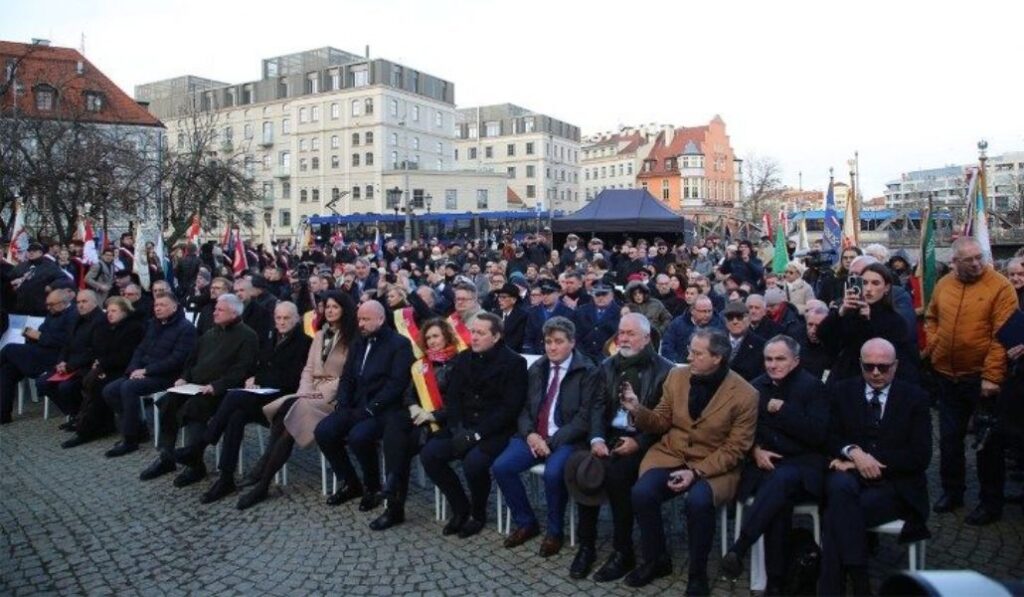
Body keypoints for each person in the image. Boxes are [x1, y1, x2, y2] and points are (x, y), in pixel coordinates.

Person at [621, 329, 758, 593]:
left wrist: (696, 473)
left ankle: (697, 573)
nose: (688, 357)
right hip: (672, 453)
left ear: (717, 357)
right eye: (689, 350)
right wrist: (637, 409)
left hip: (715, 463)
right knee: (642, 493)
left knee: (698, 501)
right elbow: (661, 421)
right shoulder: (677, 375)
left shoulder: (745, 394)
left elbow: (735, 449)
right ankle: (656, 559)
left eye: (696, 354)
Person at [566, 313, 675, 582]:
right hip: (611, 434)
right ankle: (587, 546)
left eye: (630, 333)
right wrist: (597, 439)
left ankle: (622, 550)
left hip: (646, 438)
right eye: (621, 333)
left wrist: (638, 442)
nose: (623, 338)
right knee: (583, 467)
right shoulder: (608, 365)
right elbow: (598, 406)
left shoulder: (666, 370)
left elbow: (667, 421)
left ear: (647, 338)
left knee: (617, 475)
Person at [819, 338, 931, 595]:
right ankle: (859, 584)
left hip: (895, 485)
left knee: (836, 513)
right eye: (869, 367)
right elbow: (829, 436)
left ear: (896, 365)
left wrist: (866, 460)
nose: (876, 373)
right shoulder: (842, 390)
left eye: (883, 366)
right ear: (860, 365)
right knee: (838, 486)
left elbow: (919, 456)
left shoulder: (915, 397)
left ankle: (841, 587)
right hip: (850, 480)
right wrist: (853, 452)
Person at [719, 335, 829, 592]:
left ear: (796, 360)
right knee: (778, 499)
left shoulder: (813, 387)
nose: (773, 364)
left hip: (802, 468)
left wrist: (785, 411)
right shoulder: (756, 387)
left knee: (782, 481)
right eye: (768, 359)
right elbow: (742, 431)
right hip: (764, 468)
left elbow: (818, 435)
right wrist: (756, 450)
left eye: (780, 359)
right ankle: (775, 584)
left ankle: (741, 548)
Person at [176, 301, 311, 503]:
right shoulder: (271, 337)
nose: (281, 322)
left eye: (286, 318)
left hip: (283, 401)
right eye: (278, 318)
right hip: (262, 396)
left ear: (297, 319)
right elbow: (260, 365)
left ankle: (200, 446)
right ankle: (226, 477)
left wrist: (261, 380)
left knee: (234, 396)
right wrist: (253, 378)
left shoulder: (305, 343)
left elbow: (294, 378)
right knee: (235, 416)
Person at [925, 237, 1017, 525]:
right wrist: (935, 344)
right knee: (950, 440)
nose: (977, 263)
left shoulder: (1000, 286)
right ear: (955, 262)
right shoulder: (944, 285)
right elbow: (932, 317)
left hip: (981, 377)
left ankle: (990, 503)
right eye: (969, 260)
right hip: (947, 374)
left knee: (987, 444)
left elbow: (1001, 337)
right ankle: (952, 492)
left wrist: (992, 376)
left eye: (980, 257)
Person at [237, 291, 357, 510]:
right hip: (310, 394)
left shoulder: (353, 338)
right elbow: (308, 369)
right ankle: (264, 479)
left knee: (291, 408)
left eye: (335, 307)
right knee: (287, 409)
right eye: (326, 306)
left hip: (334, 398)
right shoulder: (320, 334)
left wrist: (312, 395)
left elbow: (347, 377)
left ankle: (262, 480)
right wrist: (305, 391)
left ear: (345, 309)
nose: (329, 310)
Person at [493, 317, 597, 557]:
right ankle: (526, 521)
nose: (552, 347)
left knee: (553, 473)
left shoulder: (588, 370)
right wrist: (530, 434)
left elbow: (584, 418)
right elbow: (524, 407)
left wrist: (549, 441)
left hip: (566, 439)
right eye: (548, 341)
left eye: (558, 342)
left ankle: (555, 531)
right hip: (533, 436)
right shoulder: (538, 368)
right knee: (502, 467)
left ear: (572, 342)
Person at [421, 313, 528, 538]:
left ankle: (478, 514)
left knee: (474, 463)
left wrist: (477, 434)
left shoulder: (514, 363)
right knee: (430, 454)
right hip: (464, 426)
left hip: (494, 431)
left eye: (481, 333)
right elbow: (454, 398)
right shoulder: (464, 358)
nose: (474, 337)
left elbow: (509, 409)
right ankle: (460, 507)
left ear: (496, 336)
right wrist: (458, 428)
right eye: (473, 332)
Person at [139, 293, 259, 486]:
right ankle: (166, 457)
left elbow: (243, 369)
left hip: (221, 392)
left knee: (195, 408)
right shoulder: (210, 333)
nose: (215, 312)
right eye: (216, 309)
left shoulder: (248, 335)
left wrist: (216, 386)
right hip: (194, 385)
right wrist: (184, 377)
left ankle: (195, 464)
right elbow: (191, 360)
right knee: (169, 401)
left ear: (234, 312)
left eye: (220, 309)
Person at [314, 300, 414, 508]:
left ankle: (373, 487)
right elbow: (347, 376)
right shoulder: (358, 341)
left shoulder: (399, 344)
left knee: (359, 437)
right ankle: (350, 482)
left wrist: (372, 408)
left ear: (381, 319)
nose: (361, 324)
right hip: (355, 405)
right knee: (323, 431)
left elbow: (396, 385)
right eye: (359, 319)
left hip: (383, 409)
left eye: (366, 319)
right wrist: (342, 402)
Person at [371, 318, 465, 530]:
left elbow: (460, 404)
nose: (432, 341)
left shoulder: (460, 363)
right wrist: (414, 408)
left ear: (447, 336)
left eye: (436, 336)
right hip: (419, 420)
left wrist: (432, 416)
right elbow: (408, 395)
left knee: (401, 445)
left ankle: (393, 499)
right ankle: (394, 503)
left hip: (445, 424)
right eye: (428, 337)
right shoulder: (421, 365)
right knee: (396, 431)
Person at [103, 292, 197, 456]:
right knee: (109, 390)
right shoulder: (153, 324)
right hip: (144, 372)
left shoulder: (185, 328)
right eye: (155, 305)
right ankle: (138, 429)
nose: (158, 308)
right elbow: (140, 349)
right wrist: (133, 369)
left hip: (168, 376)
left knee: (128, 388)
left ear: (174, 307)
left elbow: (177, 359)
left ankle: (130, 439)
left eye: (162, 305)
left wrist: (146, 371)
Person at [61, 296, 146, 448]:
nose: (109, 314)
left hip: (124, 370)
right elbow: (99, 349)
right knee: (90, 381)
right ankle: (88, 424)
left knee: (99, 385)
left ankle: (87, 429)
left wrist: (102, 365)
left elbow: (126, 356)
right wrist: (99, 364)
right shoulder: (107, 327)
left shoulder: (134, 328)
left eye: (114, 311)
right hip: (108, 368)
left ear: (125, 312)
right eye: (108, 311)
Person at [818, 262, 920, 384]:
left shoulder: (895, 320)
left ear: (886, 288)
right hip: (846, 379)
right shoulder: (849, 313)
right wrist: (840, 312)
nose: (868, 289)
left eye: (875, 283)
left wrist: (868, 320)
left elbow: (889, 354)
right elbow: (823, 335)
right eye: (864, 283)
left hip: (877, 380)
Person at [0, 289, 76, 423]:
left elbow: (67, 342)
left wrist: (40, 337)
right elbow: (41, 333)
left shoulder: (72, 315)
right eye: (47, 304)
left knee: (9, 349)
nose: (48, 307)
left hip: (55, 357)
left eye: (51, 304)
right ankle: (3, 414)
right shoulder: (52, 314)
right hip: (39, 352)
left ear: (63, 303)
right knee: (7, 370)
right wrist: (30, 335)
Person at [36, 289, 105, 425]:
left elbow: (94, 351)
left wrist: (69, 366)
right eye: (78, 302)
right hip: (69, 364)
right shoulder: (77, 319)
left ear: (95, 302)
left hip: (86, 366)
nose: (80, 305)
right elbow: (66, 344)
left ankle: (83, 417)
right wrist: (61, 361)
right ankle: (75, 413)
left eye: (84, 301)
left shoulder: (100, 321)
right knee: (42, 383)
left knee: (66, 387)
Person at [660, 296, 723, 364]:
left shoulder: (719, 324)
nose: (707, 315)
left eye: (710, 311)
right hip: (681, 365)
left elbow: (722, 348)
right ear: (692, 311)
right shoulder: (677, 324)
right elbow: (667, 346)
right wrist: (675, 363)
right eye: (703, 311)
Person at [10, 242, 68, 316]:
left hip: (40, 306)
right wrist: (12, 284)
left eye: (34, 251)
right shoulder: (21, 266)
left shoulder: (49, 266)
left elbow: (63, 279)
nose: (31, 253)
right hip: (20, 305)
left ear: (40, 253)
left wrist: (51, 286)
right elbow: (10, 278)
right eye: (29, 251)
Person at [522, 279, 575, 354]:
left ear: (558, 293)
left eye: (549, 293)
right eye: (543, 294)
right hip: (537, 355)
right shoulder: (533, 312)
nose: (545, 297)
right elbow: (528, 338)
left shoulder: (568, 313)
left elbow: (570, 338)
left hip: (559, 354)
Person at [573, 281, 620, 362]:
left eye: (604, 294)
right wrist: (582, 355)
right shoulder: (581, 311)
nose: (600, 298)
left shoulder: (619, 312)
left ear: (612, 295)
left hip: (609, 358)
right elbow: (575, 335)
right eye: (597, 295)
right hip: (584, 357)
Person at [721, 301, 766, 382]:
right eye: (730, 318)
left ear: (748, 319)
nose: (735, 321)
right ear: (725, 321)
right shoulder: (717, 342)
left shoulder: (760, 345)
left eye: (740, 317)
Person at [795, 303, 834, 381]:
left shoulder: (835, 347)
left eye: (818, 326)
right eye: (810, 325)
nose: (812, 330)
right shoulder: (796, 342)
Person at [490, 282, 528, 353]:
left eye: (504, 297)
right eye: (499, 296)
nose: (500, 300)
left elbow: (517, 340)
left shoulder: (522, 316)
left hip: (512, 353)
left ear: (514, 300)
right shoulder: (495, 314)